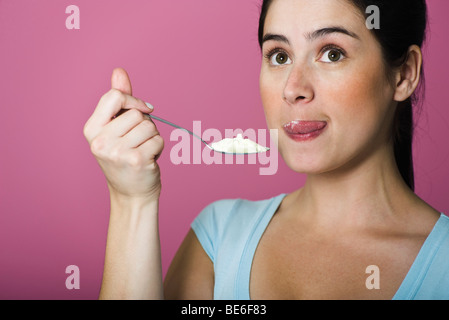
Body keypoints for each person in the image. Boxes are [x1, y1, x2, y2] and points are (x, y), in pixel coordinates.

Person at [83, 0, 449, 300]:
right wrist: (132, 201)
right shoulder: (220, 238)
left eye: (332, 53)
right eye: (279, 55)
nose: (293, 88)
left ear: (403, 75)